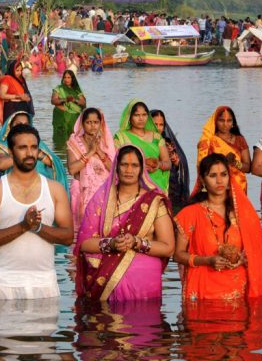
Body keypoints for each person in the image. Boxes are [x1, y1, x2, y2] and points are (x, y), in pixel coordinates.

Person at [0, 124, 74, 299]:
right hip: (4, 286)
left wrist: (37, 228)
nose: (29, 153)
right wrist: (23, 226)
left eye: (34, 147)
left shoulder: (55, 189)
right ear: (11, 152)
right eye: (22, 147)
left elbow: (68, 237)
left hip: (45, 286)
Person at [74, 145, 176, 302]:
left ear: (142, 169)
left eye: (134, 165)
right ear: (116, 166)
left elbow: (168, 248)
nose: (129, 170)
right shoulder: (100, 199)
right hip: (104, 284)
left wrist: (137, 242)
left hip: (144, 289)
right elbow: (84, 244)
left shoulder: (154, 202)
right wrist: (112, 243)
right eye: (124, 164)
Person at [174, 153, 262, 301]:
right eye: (213, 175)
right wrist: (207, 260)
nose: (219, 180)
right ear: (203, 180)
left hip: (238, 291)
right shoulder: (189, 214)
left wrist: (242, 259)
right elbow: (178, 255)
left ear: (229, 178)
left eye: (223, 174)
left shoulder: (244, 214)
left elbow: (255, 254)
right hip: (202, 292)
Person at [0, 111, 70, 195]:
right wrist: (25, 157)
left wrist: (38, 155)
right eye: (18, 124)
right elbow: (0, 164)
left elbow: (55, 164)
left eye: (26, 124)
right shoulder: (2, 147)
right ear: (9, 127)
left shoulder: (39, 145)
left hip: (42, 190)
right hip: (15, 190)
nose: (22, 127)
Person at [66, 108, 115, 235]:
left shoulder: (106, 142)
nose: (92, 126)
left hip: (103, 191)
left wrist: (99, 152)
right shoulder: (74, 141)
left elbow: (114, 169)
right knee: (82, 231)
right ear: (82, 124)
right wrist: (91, 152)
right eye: (88, 122)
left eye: (96, 122)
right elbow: (72, 169)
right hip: (82, 192)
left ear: (101, 123)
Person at [114, 99, 171, 192]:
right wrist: (140, 166)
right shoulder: (121, 137)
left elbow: (167, 163)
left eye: (144, 115)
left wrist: (158, 164)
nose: (141, 119)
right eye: (137, 115)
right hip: (133, 184)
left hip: (157, 184)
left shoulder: (156, 137)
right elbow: (115, 163)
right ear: (129, 117)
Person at [197, 106, 251, 193]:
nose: (225, 124)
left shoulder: (240, 139)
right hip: (215, 185)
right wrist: (223, 161)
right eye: (221, 120)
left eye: (229, 121)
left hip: (238, 186)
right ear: (215, 121)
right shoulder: (208, 141)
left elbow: (248, 168)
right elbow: (203, 166)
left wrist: (235, 163)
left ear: (233, 123)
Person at [151, 109, 190, 210]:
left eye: (161, 125)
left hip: (172, 188)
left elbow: (178, 165)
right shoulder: (145, 143)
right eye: (155, 124)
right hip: (154, 187)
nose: (159, 128)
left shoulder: (167, 142)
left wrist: (177, 163)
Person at [51, 70, 86, 147]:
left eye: (69, 77)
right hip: (62, 117)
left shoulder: (77, 90)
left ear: (72, 79)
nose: (66, 79)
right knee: (61, 138)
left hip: (75, 117)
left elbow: (83, 103)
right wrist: (65, 99)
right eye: (65, 77)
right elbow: (53, 100)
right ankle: (61, 151)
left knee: (75, 139)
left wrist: (74, 100)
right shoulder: (59, 88)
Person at [0, 60, 34, 124]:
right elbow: (2, 95)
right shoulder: (7, 79)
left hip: (22, 109)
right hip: (11, 109)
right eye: (17, 70)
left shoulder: (21, 80)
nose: (19, 73)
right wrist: (18, 96)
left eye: (21, 70)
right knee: (12, 130)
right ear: (12, 70)